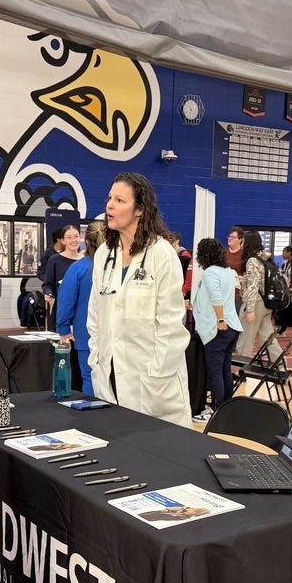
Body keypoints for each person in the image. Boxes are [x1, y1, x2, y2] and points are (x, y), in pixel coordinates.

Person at [87, 171, 191, 427]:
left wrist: (157, 375)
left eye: (120, 200)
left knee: (159, 455)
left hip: (154, 384)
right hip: (110, 377)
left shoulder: (161, 254)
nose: (110, 205)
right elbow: (95, 315)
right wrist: (96, 359)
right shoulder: (104, 254)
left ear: (140, 210)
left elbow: (170, 325)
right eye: (110, 198)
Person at [191, 237, 243, 419]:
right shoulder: (228, 271)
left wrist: (220, 319)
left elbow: (216, 296)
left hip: (219, 327)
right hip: (233, 327)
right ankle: (224, 407)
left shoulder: (211, 272)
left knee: (215, 372)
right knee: (224, 370)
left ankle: (215, 409)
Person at [56, 220, 104, 396]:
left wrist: (63, 328)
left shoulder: (79, 268)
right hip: (113, 332)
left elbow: (66, 300)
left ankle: (93, 419)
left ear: (87, 241)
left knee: (89, 376)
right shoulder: (116, 268)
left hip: (85, 332)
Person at [236, 231, 281, 360]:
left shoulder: (252, 260)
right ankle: (280, 365)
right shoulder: (265, 257)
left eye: (243, 241)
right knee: (267, 337)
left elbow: (254, 285)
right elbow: (259, 279)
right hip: (266, 303)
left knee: (245, 339)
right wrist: (243, 279)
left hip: (255, 303)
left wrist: (249, 309)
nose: (242, 243)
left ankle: (243, 367)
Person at [43, 225, 83, 326]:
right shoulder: (55, 260)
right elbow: (47, 284)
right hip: (62, 309)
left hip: (83, 310)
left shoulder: (86, 260)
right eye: (69, 237)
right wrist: (48, 293)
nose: (73, 240)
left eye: (76, 236)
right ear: (63, 240)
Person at [226, 227, 245, 311]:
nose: (230, 239)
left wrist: (243, 279)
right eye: (229, 236)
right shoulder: (222, 253)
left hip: (236, 294)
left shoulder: (244, 255)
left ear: (240, 240)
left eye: (233, 237)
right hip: (222, 293)